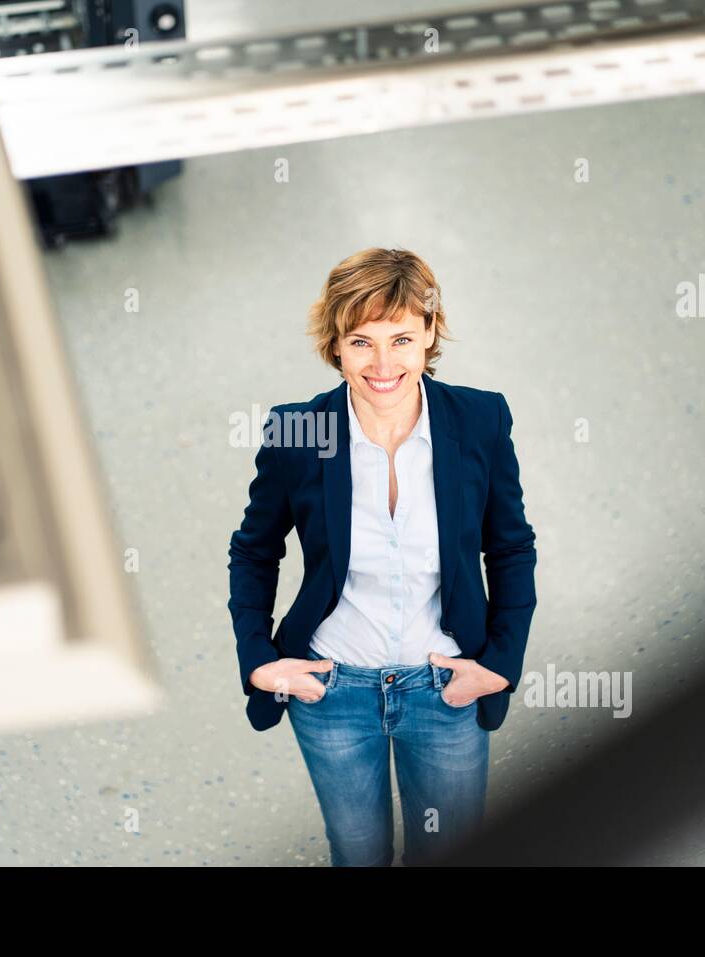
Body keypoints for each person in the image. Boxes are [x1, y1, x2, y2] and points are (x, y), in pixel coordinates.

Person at [226, 247, 538, 866]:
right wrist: (260, 659)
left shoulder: (478, 420)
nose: (383, 363)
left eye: (400, 338)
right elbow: (253, 551)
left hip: (446, 686)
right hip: (333, 692)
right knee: (359, 854)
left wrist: (501, 661)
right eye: (361, 341)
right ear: (336, 345)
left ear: (428, 333)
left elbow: (510, 547)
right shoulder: (299, 430)